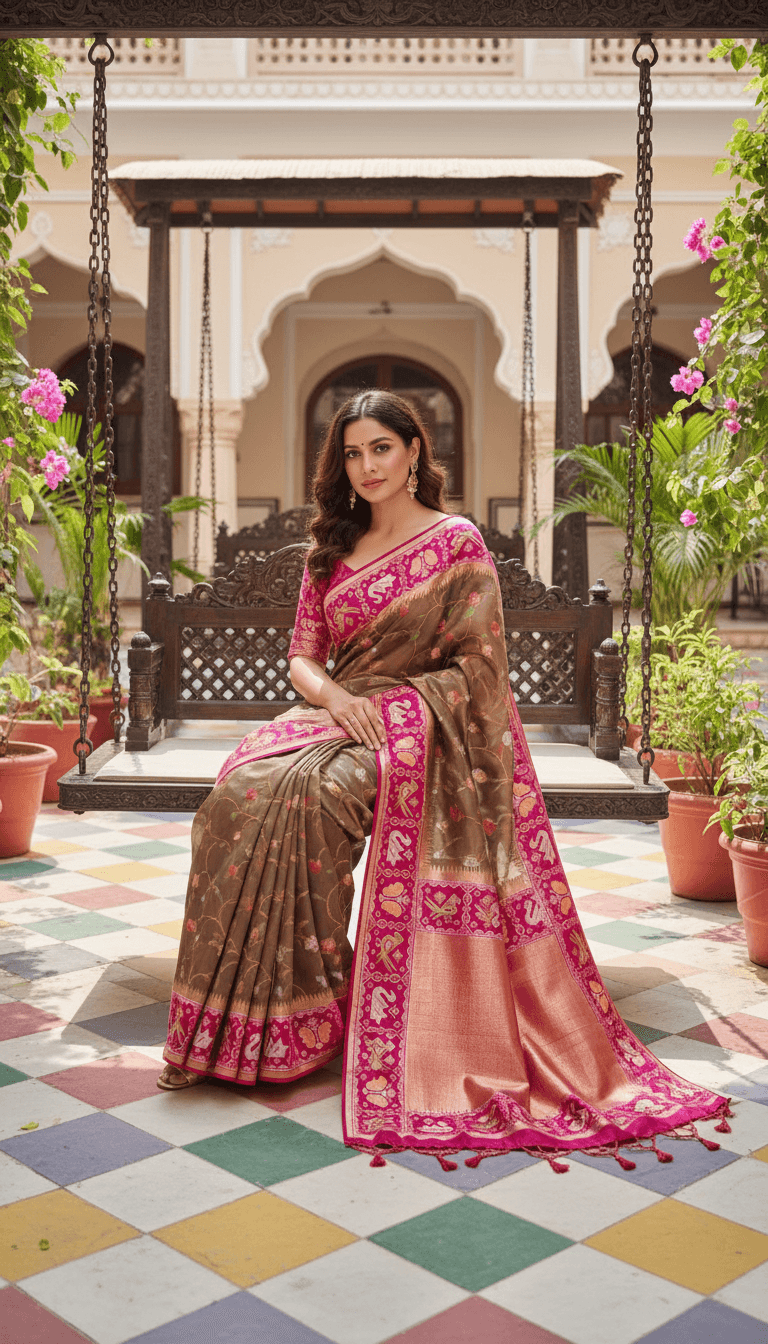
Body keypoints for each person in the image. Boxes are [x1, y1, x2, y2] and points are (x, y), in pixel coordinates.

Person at [158, 389, 731, 1169]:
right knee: (240, 795)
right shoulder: (331, 544)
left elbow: (480, 672)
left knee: (317, 800)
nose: (367, 467)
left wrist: (395, 712)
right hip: (338, 714)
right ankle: (246, 1022)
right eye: (353, 454)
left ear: (415, 453)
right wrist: (335, 696)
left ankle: (316, 1007)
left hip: (421, 732)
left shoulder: (455, 544)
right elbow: (302, 653)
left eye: (381, 450)